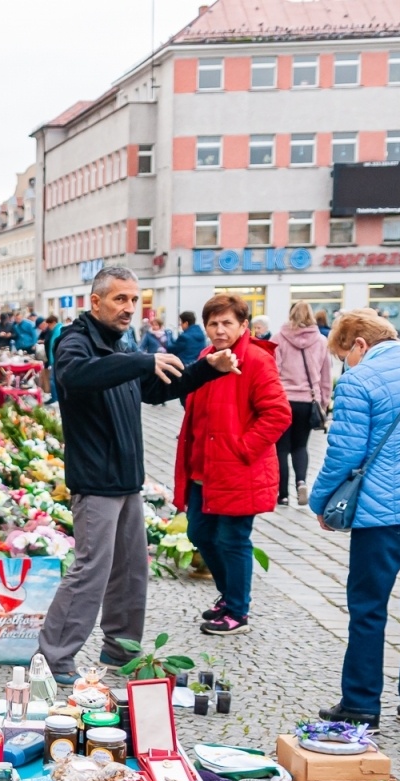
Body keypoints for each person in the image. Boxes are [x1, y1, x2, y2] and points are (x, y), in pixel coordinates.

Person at [37, 267, 235, 681]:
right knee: (90, 570)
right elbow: (75, 376)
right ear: (96, 302)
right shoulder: (76, 342)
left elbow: (155, 387)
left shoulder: (119, 344)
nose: (130, 308)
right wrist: (140, 359)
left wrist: (206, 369)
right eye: (120, 299)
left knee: (131, 573)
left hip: (127, 481)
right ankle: (54, 657)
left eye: (134, 300)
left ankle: (119, 651)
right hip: (95, 482)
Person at [311, 310, 400, 732]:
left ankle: (362, 704)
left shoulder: (358, 381)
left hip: (385, 513)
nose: (344, 365)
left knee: (368, 607)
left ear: (360, 345)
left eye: (343, 355)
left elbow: (344, 454)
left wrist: (320, 502)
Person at [174, 295, 291, 636]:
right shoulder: (205, 357)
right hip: (203, 468)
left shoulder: (254, 359)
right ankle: (229, 596)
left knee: (234, 539)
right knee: (199, 532)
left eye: (227, 323)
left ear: (243, 325)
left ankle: (238, 611)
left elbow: (278, 414)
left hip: (239, 468)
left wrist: (242, 448)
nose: (219, 329)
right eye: (213, 323)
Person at [273, 300, 335, 507]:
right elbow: (326, 376)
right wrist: (324, 402)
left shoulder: (278, 338)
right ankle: (301, 482)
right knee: (300, 445)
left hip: (283, 399)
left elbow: (273, 371)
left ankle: (282, 495)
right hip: (308, 401)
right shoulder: (320, 341)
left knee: (281, 448)